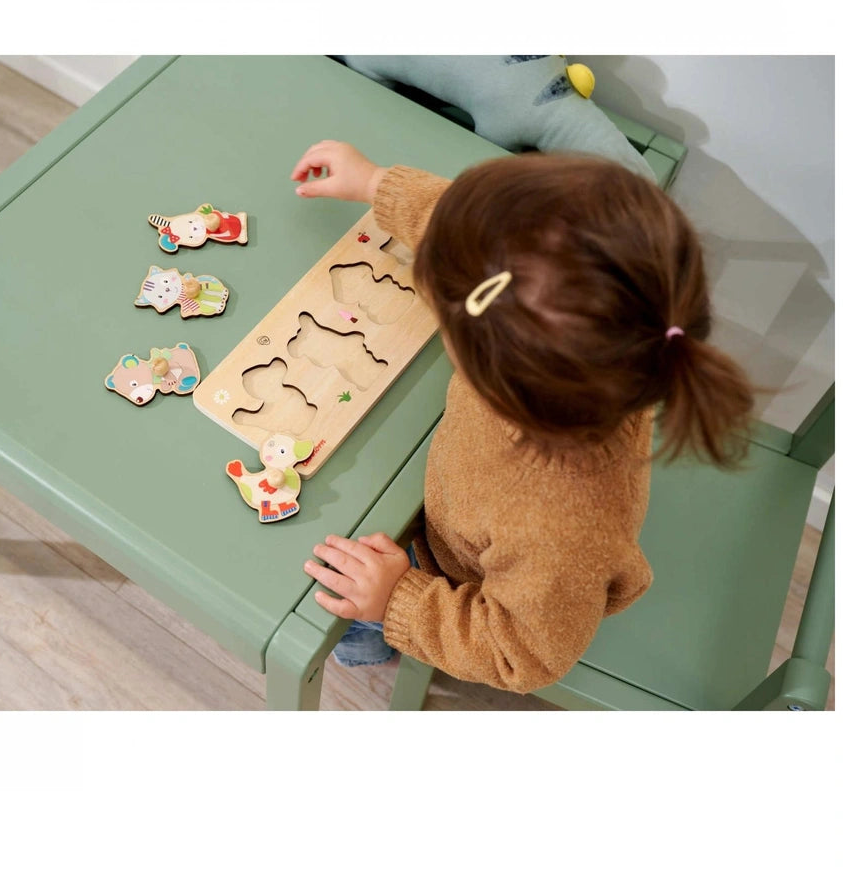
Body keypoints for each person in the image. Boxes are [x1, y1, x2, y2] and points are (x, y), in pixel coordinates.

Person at [288, 140, 755, 694]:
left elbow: (520, 655)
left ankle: (369, 650)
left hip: (449, 579)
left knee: (331, 603)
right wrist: (376, 183)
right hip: (452, 510)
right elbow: (474, 237)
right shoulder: (587, 326)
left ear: (490, 371)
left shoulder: (557, 528)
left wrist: (397, 601)